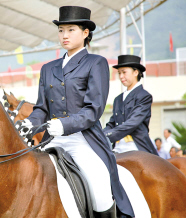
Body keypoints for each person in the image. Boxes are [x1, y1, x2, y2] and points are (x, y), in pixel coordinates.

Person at [21, 6, 134, 218]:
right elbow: (41, 109)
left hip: (83, 139)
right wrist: (30, 123)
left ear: (85, 33)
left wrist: (65, 124)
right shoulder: (48, 68)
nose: (64, 35)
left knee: (100, 190)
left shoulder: (96, 63)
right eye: (61, 30)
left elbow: (94, 110)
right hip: (52, 139)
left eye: (71, 30)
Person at [102, 55, 158, 155]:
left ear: (136, 72)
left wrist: (108, 134)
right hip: (117, 147)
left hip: (136, 146)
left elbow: (132, 123)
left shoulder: (144, 96)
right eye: (119, 73)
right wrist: (100, 134)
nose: (121, 76)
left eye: (124, 72)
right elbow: (112, 123)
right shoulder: (118, 99)